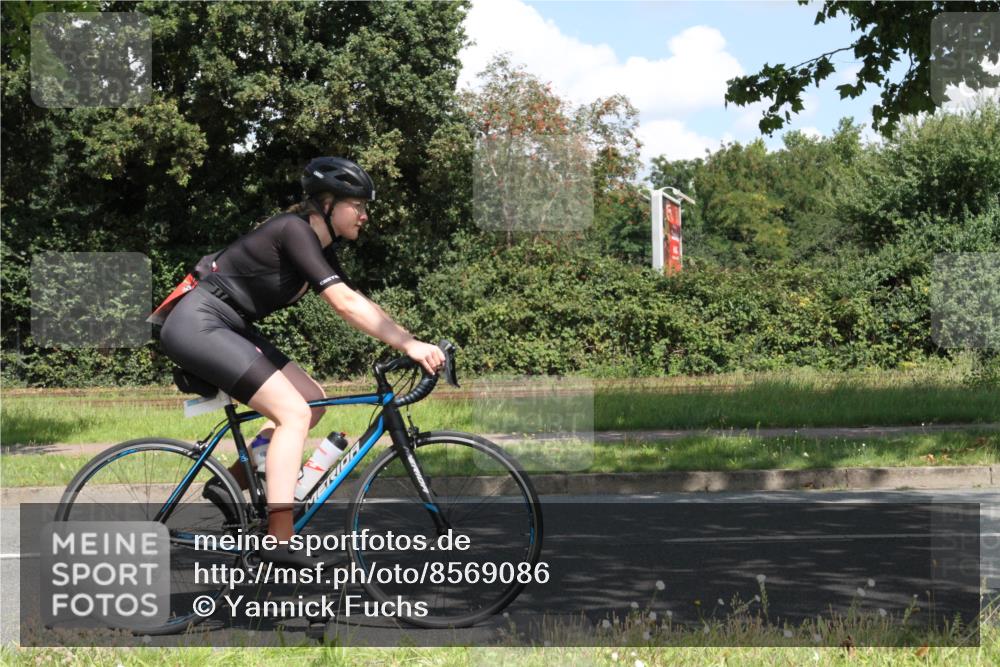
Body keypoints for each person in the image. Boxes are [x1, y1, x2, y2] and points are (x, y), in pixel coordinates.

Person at [158, 157, 445, 565]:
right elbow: (344, 304)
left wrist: (409, 340)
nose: (365, 215)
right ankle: (280, 538)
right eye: (357, 205)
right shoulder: (293, 230)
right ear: (327, 204)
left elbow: (356, 299)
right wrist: (409, 345)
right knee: (292, 413)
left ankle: (231, 485)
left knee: (312, 399)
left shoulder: (320, 248)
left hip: (228, 324)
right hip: (199, 322)